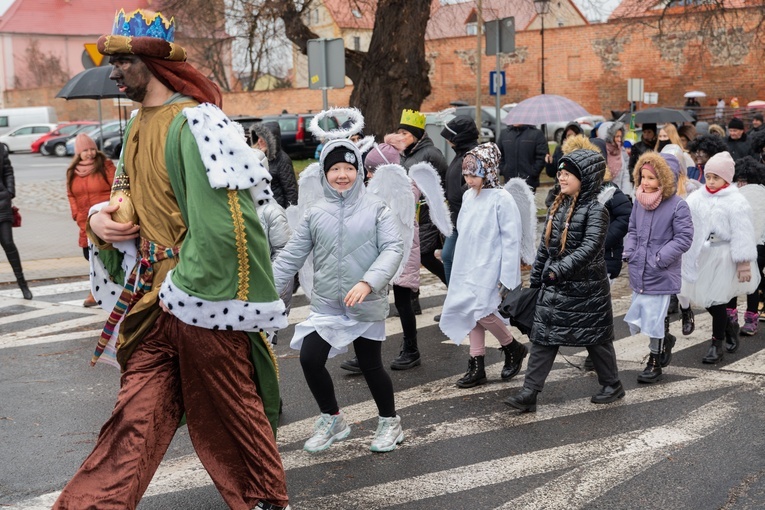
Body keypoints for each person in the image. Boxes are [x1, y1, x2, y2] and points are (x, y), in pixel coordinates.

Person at [53, 9, 291, 510]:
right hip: (153, 302)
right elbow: (130, 193)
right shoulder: (140, 122)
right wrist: (102, 219)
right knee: (133, 418)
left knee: (230, 412)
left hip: (198, 301)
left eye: (120, 62)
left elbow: (225, 228)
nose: (112, 72)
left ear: (151, 62)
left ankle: (264, 501)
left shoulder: (196, 123)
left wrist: (182, 288)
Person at [271, 138, 405, 453]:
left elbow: (393, 248)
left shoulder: (376, 208)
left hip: (364, 302)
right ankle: (333, 419)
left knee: (371, 366)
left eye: (348, 168)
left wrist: (368, 282)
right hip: (329, 303)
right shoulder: (315, 213)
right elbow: (291, 256)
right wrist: (265, 293)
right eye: (334, 169)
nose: (341, 174)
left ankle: (390, 422)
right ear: (325, 173)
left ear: (358, 171)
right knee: (309, 358)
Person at [505, 149, 625, 412]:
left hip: (587, 289)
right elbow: (544, 248)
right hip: (555, 285)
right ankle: (529, 393)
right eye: (560, 172)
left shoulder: (596, 210)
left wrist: (558, 270)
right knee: (544, 337)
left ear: (587, 178)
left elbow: (591, 247)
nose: (561, 177)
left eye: (568, 173)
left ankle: (612, 384)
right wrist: (537, 279)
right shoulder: (558, 205)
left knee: (595, 338)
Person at [439, 142, 529, 388]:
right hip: (468, 264)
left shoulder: (502, 199)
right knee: (470, 312)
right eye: (466, 174)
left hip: (491, 266)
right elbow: (465, 232)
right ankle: (477, 362)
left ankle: (512, 346)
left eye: (474, 174)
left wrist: (508, 276)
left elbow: (512, 240)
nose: (468, 179)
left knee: (482, 310)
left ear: (488, 171)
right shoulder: (469, 196)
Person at [680, 152, 760, 364]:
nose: (712, 181)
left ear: (727, 178)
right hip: (703, 254)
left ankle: (717, 344)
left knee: (718, 299)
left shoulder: (736, 200)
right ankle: (729, 326)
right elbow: (686, 221)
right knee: (705, 298)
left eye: (717, 177)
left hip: (725, 257)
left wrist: (743, 262)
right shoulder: (697, 197)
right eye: (709, 177)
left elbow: (743, 232)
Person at [622, 153, 693, 383]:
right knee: (646, 316)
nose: (645, 182)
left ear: (664, 179)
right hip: (639, 268)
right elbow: (632, 231)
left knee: (655, 316)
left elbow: (683, 238)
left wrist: (660, 258)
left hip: (661, 269)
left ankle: (654, 361)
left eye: (651, 178)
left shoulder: (677, 206)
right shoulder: (639, 201)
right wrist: (630, 252)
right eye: (642, 176)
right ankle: (665, 341)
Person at [385, 109, 448, 312]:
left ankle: (455, 288)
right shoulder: (404, 154)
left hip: (426, 213)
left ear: (417, 135)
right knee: (410, 257)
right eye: (400, 132)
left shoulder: (431, 153)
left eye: (406, 133)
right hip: (408, 214)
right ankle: (413, 303)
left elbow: (442, 181)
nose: (402, 136)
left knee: (425, 256)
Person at [66, 133, 116, 307]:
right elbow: (71, 194)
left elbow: (117, 188)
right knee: (90, 256)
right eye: (85, 150)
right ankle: (97, 290)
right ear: (78, 152)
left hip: (105, 218)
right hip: (84, 221)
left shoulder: (105, 166)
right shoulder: (72, 172)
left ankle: (106, 291)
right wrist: (75, 214)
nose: (90, 153)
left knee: (109, 256)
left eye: (92, 149)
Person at [727, 156, 765, 336]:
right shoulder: (762, 192)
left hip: (745, 243)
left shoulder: (738, 194)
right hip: (760, 244)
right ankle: (751, 318)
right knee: (753, 282)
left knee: (734, 279)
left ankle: (731, 315)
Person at [440, 115, 479, 286]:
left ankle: (460, 304)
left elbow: (476, 182)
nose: (448, 141)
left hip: (468, 216)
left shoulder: (473, 155)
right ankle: (453, 304)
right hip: (456, 216)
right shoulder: (460, 154)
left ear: (460, 137)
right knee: (448, 256)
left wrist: (459, 194)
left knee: (456, 259)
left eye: (450, 137)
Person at [0, 142, 31, 300]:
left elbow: (7, 171)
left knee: (8, 243)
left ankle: (23, 284)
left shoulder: (0, 148)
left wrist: (10, 191)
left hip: (1, 204)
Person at [251, 121, 299, 209]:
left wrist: (291, 214)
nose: (259, 141)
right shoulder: (256, 156)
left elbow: (291, 191)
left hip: (277, 211)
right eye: (258, 137)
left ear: (271, 140)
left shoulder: (282, 160)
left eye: (263, 138)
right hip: (260, 209)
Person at [498, 122, 548, 191]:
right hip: (509, 180)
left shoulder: (536, 134)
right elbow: (499, 154)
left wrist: (533, 171)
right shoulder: (504, 134)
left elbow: (541, 156)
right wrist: (504, 170)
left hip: (529, 182)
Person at [601, 121, 632, 196]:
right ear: (610, 137)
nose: (619, 139)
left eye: (620, 137)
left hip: (619, 195)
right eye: (617, 136)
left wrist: (626, 195)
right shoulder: (602, 152)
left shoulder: (621, 151)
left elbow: (625, 175)